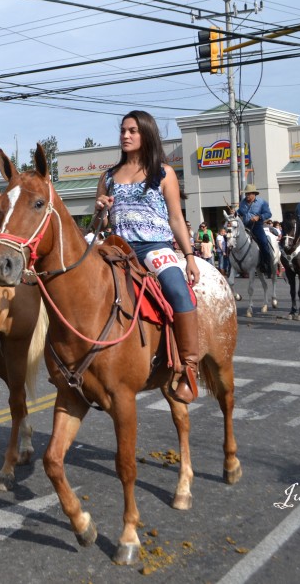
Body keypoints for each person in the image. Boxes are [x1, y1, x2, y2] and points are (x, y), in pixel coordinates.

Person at [95, 110, 201, 404]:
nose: (125, 136)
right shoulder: (108, 177)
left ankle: (189, 369)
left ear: (146, 134)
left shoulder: (163, 173)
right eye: (123, 131)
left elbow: (177, 219)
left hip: (154, 247)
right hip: (116, 249)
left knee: (179, 292)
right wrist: (100, 209)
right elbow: (100, 225)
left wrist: (189, 256)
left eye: (132, 131)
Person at [235, 183, 274, 277]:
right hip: (245, 226)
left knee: (264, 242)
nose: (247, 195)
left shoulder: (262, 202)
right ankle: (237, 265)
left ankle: (267, 265)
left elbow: (268, 214)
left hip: (257, 225)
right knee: (234, 241)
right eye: (246, 194)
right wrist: (235, 212)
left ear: (254, 194)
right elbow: (240, 212)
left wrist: (259, 217)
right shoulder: (243, 202)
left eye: (248, 194)